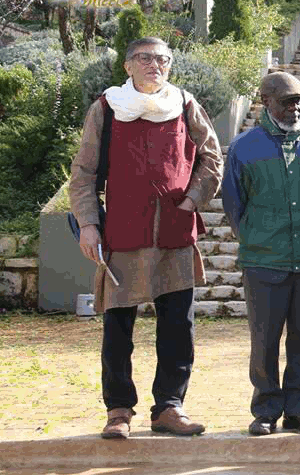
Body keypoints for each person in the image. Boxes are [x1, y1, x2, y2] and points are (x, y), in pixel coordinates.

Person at [69, 37, 223, 439]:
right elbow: (84, 171)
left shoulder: (185, 104)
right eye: (145, 58)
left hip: (174, 233)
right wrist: (88, 223)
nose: (154, 65)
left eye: (162, 59)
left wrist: (193, 200)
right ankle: (119, 410)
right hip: (122, 231)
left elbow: (212, 157)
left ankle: (169, 407)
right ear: (127, 66)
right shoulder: (107, 107)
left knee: (177, 326)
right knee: (118, 328)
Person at [222, 71, 300, 436]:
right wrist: (257, 237)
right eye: (287, 101)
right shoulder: (244, 147)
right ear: (265, 101)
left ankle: (299, 409)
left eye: (299, 101)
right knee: (265, 339)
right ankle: (266, 409)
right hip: (263, 259)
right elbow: (233, 203)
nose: (295, 108)